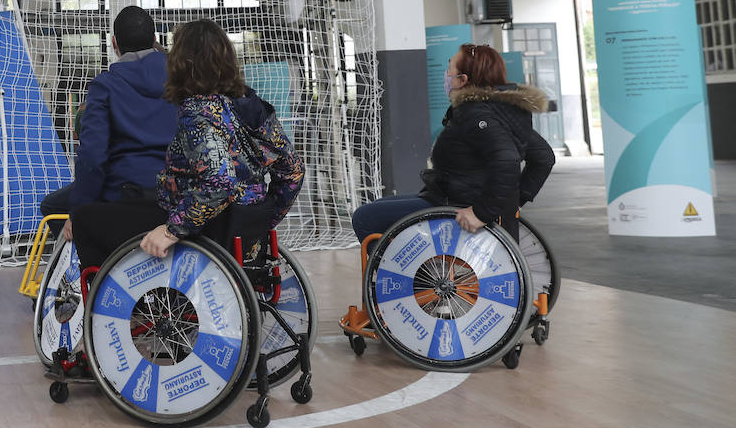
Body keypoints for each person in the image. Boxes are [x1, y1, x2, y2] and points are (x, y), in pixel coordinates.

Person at [71, 18, 305, 270]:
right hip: (239, 232)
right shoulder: (252, 105)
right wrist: (261, 221)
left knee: (85, 219)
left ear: (182, 62)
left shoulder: (199, 112)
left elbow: (219, 183)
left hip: (204, 229)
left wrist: (172, 230)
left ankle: (108, 305)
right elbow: (293, 171)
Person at [350, 43, 555, 242]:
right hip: (455, 196)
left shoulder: (477, 114)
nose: (446, 76)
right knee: (381, 205)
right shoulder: (503, 111)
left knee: (365, 217)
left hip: (458, 204)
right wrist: (514, 201)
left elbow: (507, 159)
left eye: (449, 70)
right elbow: (543, 157)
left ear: (463, 79)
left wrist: (483, 212)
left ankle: (410, 276)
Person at [40, 6, 179, 242]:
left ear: (114, 43)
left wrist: (77, 212)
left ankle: (79, 272)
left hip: (125, 193)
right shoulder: (181, 81)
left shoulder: (104, 86)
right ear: (155, 39)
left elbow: (93, 158)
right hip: (176, 191)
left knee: (52, 205)